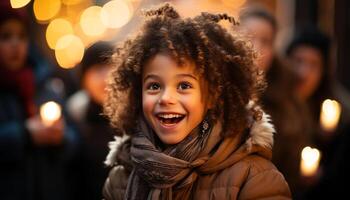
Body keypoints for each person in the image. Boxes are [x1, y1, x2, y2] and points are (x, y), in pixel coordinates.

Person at [102, 3, 291, 200]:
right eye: (154, 86)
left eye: (184, 86)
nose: (166, 98)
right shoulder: (121, 177)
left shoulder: (253, 178)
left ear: (211, 96)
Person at [0, 3, 79, 200]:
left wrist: (60, 138)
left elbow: (75, 140)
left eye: (21, 36)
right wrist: (26, 134)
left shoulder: (45, 83)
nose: (15, 44)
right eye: (6, 36)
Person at [239, 7, 312, 196]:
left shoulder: (286, 103)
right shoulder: (211, 92)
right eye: (248, 37)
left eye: (266, 41)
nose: (256, 48)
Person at [286, 27, 350, 199]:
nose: (303, 72)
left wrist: (327, 142)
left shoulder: (340, 113)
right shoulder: (273, 105)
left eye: (313, 64)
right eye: (298, 61)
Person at [66, 41, 115, 200]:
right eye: (97, 70)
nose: (105, 77)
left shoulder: (137, 119)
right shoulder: (75, 120)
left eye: (111, 67)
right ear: (84, 79)